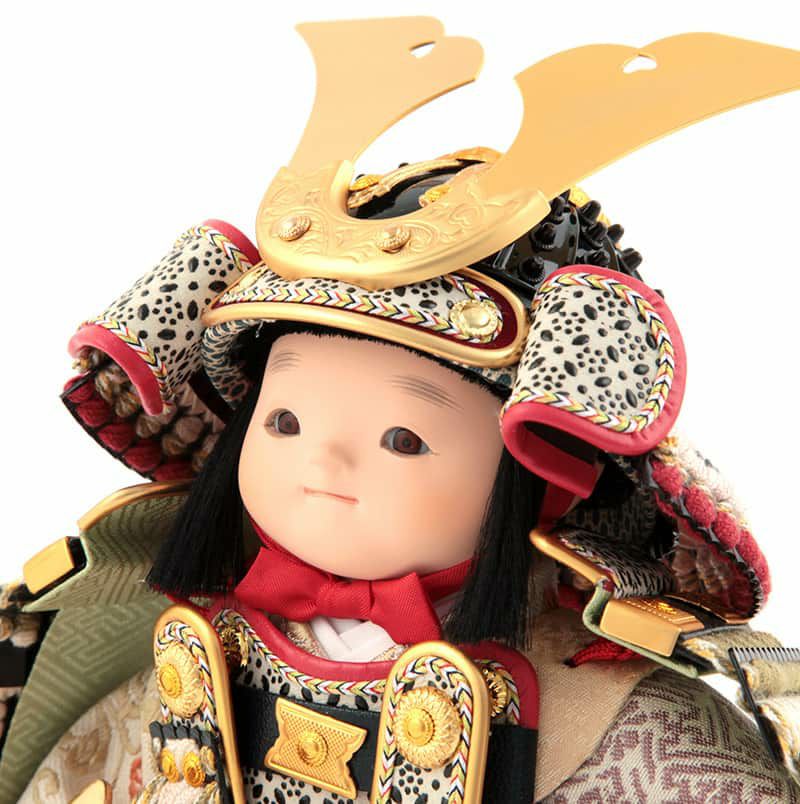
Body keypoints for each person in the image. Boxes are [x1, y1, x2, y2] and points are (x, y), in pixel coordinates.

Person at [2, 18, 799, 804]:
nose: (322, 461)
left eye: (401, 437)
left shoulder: (630, 726)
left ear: (544, 472)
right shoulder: (184, 645)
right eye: (284, 424)